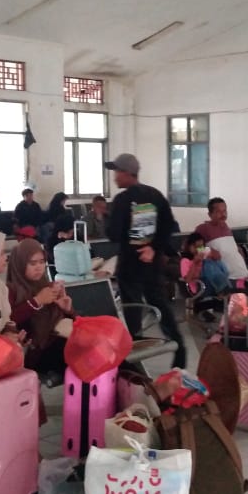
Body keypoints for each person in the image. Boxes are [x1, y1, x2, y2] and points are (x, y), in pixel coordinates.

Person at [105, 153, 188, 369]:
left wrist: (107, 217)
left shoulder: (122, 200)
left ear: (126, 172)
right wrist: (153, 248)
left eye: (117, 171)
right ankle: (179, 349)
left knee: (132, 310)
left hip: (129, 266)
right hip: (152, 264)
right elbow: (169, 225)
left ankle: (133, 362)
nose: (115, 177)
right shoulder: (155, 195)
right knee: (159, 303)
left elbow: (113, 234)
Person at [7, 238, 74, 384]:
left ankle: (124, 384)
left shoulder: (46, 285)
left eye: (42, 262)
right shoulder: (11, 290)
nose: (39, 267)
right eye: (32, 263)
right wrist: (37, 301)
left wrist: (67, 310)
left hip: (56, 341)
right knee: (85, 355)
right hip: (35, 352)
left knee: (98, 347)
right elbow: (9, 320)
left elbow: (59, 322)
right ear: (20, 264)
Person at [193, 198, 248, 281]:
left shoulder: (225, 226)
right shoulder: (203, 228)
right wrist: (209, 251)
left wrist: (238, 250)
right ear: (210, 214)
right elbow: (191, 248)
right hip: (228, 278)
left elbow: (229, 248)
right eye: (218, 212)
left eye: (225, 211)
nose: (223, 214)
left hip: (244, 274)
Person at [179, 232, 230, 297]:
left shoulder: (204, 256)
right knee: (207, 264)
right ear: (189, 246)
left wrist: (211, 253)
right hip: (200, 287)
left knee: (214, 262)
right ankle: (224, 290)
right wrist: (195, 263)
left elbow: (219, 258)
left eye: (200, 247)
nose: (198, 249)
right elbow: (188, 280)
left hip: (212, 283)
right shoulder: (185, 261)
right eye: (195, 247)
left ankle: (224, 289)